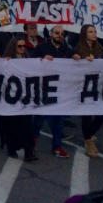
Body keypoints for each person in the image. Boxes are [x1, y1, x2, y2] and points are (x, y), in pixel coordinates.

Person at [0, 37, 38, 161]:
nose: (22, 48)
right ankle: (12, 148)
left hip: (25, 99)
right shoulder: (8, 60)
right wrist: (1, 62)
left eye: (24, 46)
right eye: (19, 46)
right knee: (12, 126)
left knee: (27, 126)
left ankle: (29, 152)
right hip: (11, 100)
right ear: (13, 47)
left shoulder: (28, 59)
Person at [35, 25, 73, 158]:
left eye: (62, 33)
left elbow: (73, 62)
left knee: (59, 119)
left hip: (60, 89)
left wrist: (77, 57)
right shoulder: (42, 47)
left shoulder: (66, 49)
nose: (59, 35)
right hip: (44, 88)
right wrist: (42, 60)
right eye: (57, 32)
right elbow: (30, 62)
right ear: (51, 34)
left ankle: (57, 146)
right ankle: (32, 143)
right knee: (39, 117)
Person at [73, 24, 103, 158]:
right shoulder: (78, 48)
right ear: (84, 34)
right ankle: (88, 141)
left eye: (95, 31)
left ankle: (89, 134)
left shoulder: (99, 48)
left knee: (101, 114)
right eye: (91, 32)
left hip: (96, 85)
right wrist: (80, 59)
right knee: (87, 114)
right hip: (82, 86)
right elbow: (73, 62)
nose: (94, 34)